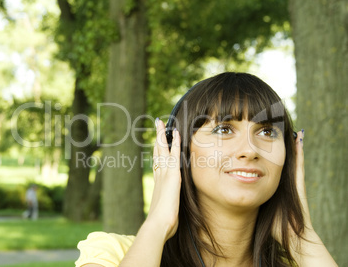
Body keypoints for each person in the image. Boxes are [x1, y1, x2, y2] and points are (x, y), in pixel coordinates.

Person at [75, 72, 337, 267]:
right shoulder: (111, 254)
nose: (250, 150)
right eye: (224, 129)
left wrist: (301, 238)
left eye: (267, 131)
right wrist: (158, 223)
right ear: (177, 152)